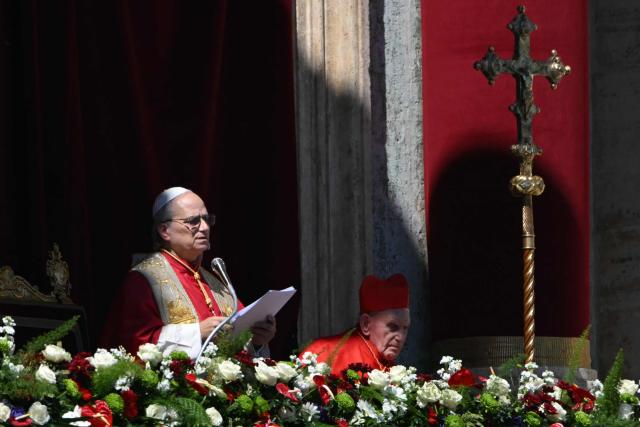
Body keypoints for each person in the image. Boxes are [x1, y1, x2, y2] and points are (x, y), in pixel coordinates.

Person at [101, 187, 276, 359]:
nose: (205, 227)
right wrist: (197, 332)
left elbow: (240, 337)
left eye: (207, 219)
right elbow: (135, 344)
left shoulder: (214, 281)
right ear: (164, 231)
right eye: (193, 221)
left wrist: (257, 340)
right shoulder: (143, 280)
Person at [302, 274, 410, 375]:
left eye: (405, 328)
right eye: (393, 327)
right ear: (366, 324)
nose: (401, 338)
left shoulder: (395, 372)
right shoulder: (321, 352)